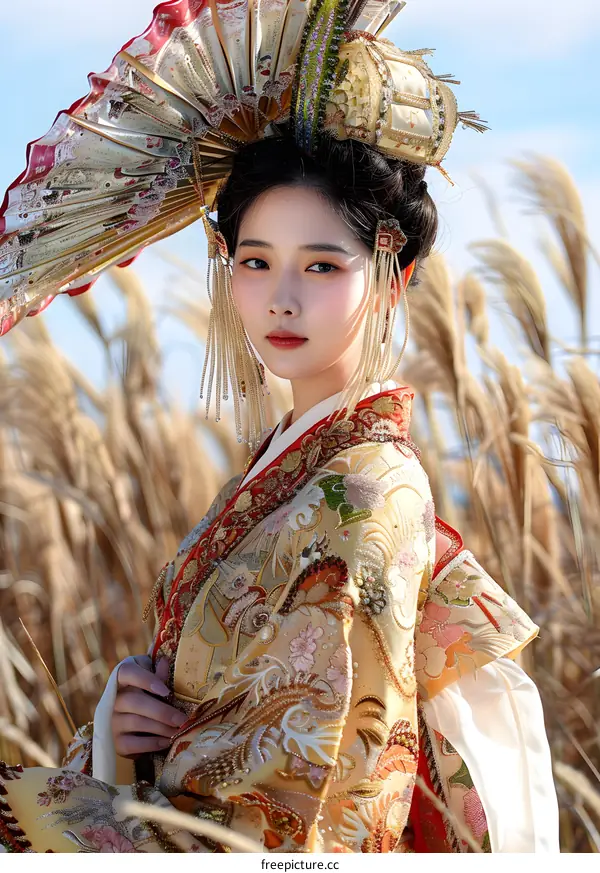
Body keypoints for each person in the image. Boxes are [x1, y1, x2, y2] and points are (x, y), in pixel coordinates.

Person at [0, 0, 558, 854]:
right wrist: (122, 720)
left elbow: (318, 792)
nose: (282, 298)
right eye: (255, 262)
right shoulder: (291, 466)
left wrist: (139, 766)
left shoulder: (367, 492)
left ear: (392, 276)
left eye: (322, 266)